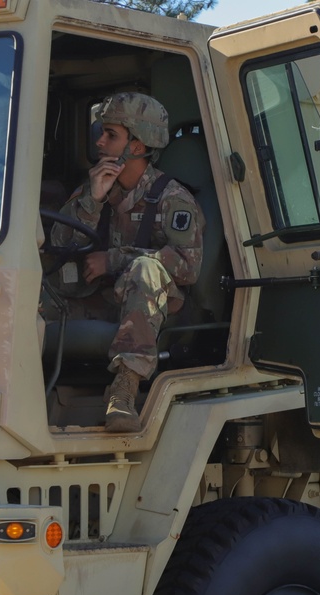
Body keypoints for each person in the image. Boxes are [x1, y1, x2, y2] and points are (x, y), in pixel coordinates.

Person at [53, 91, 204, 432]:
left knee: (145, 269)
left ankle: (124, 391)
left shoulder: (173, 198)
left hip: (158, 305)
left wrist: (115, 260)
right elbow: (57, 249)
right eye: (101, 133)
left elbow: (187, 266)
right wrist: (91, 201)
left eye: (111, 135)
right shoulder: (95, 186)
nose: (100, 142)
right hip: (101, 299)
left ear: (137, 146)